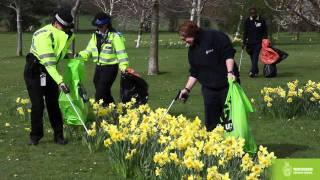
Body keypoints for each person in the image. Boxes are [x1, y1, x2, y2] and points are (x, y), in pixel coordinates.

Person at [24, 9, 74, 145]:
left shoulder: (66, 34)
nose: (66, 30)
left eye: (68, 27)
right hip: (35, 71)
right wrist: (61, 82)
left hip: (50, 72)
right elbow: (49, 63)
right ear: (56, 23)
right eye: (64, 27)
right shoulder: (43, 36)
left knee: (53, 104)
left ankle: (59, 136)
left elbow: (58, 50)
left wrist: (68, 54)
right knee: (38, 105)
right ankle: (35, 136)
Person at [178, 21, 239, 131]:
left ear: (193, 33)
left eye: (185, 38)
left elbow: (228, 54)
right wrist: (186, 89)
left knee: (230, 122)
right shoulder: (192, 50)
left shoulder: (214, 36)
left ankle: (234, 145)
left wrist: (230, 72)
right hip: (209, 89)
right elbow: (195, 72)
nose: (184, 42)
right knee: (211, 124)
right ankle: (213, 146)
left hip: (227, 85)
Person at [78, 12, 129, 106]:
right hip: (99, 67)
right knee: (104, 91)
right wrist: (80, 56)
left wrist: (123, 66)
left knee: (100, 94)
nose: (99, 28)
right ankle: (115, 111)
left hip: (110, 68)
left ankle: (99, 112)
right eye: (97, 26)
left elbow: (121, 53)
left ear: (106, 24)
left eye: (101, 26)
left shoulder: (115, 36)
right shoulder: (95, 36)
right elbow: (88, 50)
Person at [243, 7, 268, 78]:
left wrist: (265, 39)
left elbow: (265, 31)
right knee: (252, 58)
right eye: (251, 13)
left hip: (258, 42)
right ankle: (256, 70)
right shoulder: (247, 21)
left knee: (255, 57)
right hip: (249, 43)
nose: (253, 15)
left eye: (254, 13)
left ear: (256, 13)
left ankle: (252, 72)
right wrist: (244, 42)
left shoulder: (261, 20)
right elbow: (245, 32)